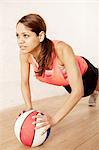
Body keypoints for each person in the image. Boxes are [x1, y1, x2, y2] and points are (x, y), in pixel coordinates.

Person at [16, 13, 99, 134]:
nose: (20, 41)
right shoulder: (25, 55)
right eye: (17, 35)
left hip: (87, 74)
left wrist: (54, 120)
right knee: (85, 92)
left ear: (40, 36)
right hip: (68, 84)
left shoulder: (62, 49)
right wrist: (29, 108)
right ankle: (93, 92)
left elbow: (78, 91)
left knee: (92, 88)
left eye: (25, 35)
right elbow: (24, 82)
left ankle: (95, 90)